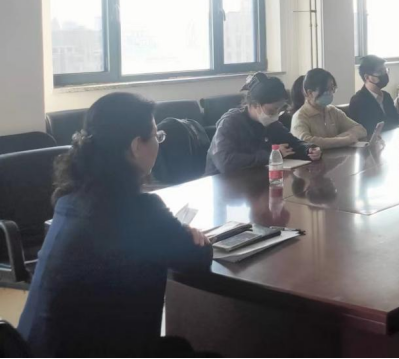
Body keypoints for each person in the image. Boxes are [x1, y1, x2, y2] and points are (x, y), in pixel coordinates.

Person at [18, 93, 214, 358]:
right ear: (136, 146)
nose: (158, 143)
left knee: (178, 346)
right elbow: (197, 259)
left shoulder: (68, 201)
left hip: (36, 350)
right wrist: (191, 237)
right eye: (156, 136)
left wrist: (172, 236)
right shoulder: (141, 210)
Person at [205, 73, 321, 176]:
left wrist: (309, 150)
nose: (276, 115)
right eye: (272, 110)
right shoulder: (230, 123)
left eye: (279, 109)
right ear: (255, 104)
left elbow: (293, 144)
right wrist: (272, 155)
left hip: (254, 181)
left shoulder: (271, 124)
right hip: (223, 184)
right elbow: (225, 162)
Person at [291, 69, 367, 149]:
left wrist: (338, 138)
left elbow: (360, 129)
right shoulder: (300, 117)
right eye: (325, 90)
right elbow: (305, 142)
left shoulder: (332, 111)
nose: (330, 93)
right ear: (309, 93)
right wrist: (344, 140)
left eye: (332, 88)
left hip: (337, 155)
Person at [349, 55, 399, 134]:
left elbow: (397, 121)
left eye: (385, 71)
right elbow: (369, 128)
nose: (384, 75)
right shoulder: (358, 101)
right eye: (380, 72)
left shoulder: (386, 96)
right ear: (367, 77)